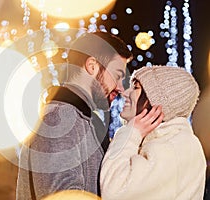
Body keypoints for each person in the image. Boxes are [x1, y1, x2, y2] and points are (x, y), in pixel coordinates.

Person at [16, 31, 162, 200]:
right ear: (92, 66)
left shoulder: (82, 119)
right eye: (117, 76)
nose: (121, 89)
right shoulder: (59, 118)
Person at [100, 65, 207, 200]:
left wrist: (130, 134)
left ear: (156, 100)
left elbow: (115, 192)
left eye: (136, 87)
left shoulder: (170, 147)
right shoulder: (169, 141)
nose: (125, 93)